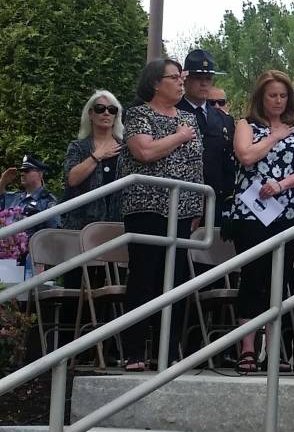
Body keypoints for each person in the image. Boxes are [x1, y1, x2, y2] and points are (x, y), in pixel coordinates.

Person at [119, 59, 203, 371]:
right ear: (156, 83)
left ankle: (168, 351)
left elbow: (196, 165)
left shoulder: (188, 118)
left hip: (182, 212)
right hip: (147, 208)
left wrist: (197, 206)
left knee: (176, 280)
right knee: (144, 277)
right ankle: (135, 351)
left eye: (182, 78)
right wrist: (179, 137)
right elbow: (144, 152)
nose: (181, 83)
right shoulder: (139, 113)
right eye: (174, 78)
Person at [229, 70, 294, 372]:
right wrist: (275, 136)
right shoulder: (245, 124)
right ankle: (248, 347)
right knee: (254, 277)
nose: (278, 101)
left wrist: (282, 184)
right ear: (261, 98)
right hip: (251, 213)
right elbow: (246, 156)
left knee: (280, 280)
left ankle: (275, 346)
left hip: (290, 210)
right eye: (272, 95)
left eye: (282, 95)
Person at [176, 49, 235, 223]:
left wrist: (229, 199)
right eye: (197, 78)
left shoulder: (224, 120)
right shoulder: (173, 113)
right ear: (185, 80)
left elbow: (228, 163)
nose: (203, 84)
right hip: (181, 200)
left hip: (215, 200)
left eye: (208, 78)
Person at [63, 90, 125, 231]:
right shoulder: (78, 147)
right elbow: (72, 179)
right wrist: (97, 156)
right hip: (82, 226)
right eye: (100, 108)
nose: (106, 113)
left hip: (118, 225)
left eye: (112, 109)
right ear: (90, 114)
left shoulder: (126, 148)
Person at [0, 155, 60, 239]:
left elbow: (53, 235)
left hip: (31, 249)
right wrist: (2, 182)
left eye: (27, 170)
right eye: (21, 171)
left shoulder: (48, 201)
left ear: (40, 174)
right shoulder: (14, 197)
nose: (22, 174)